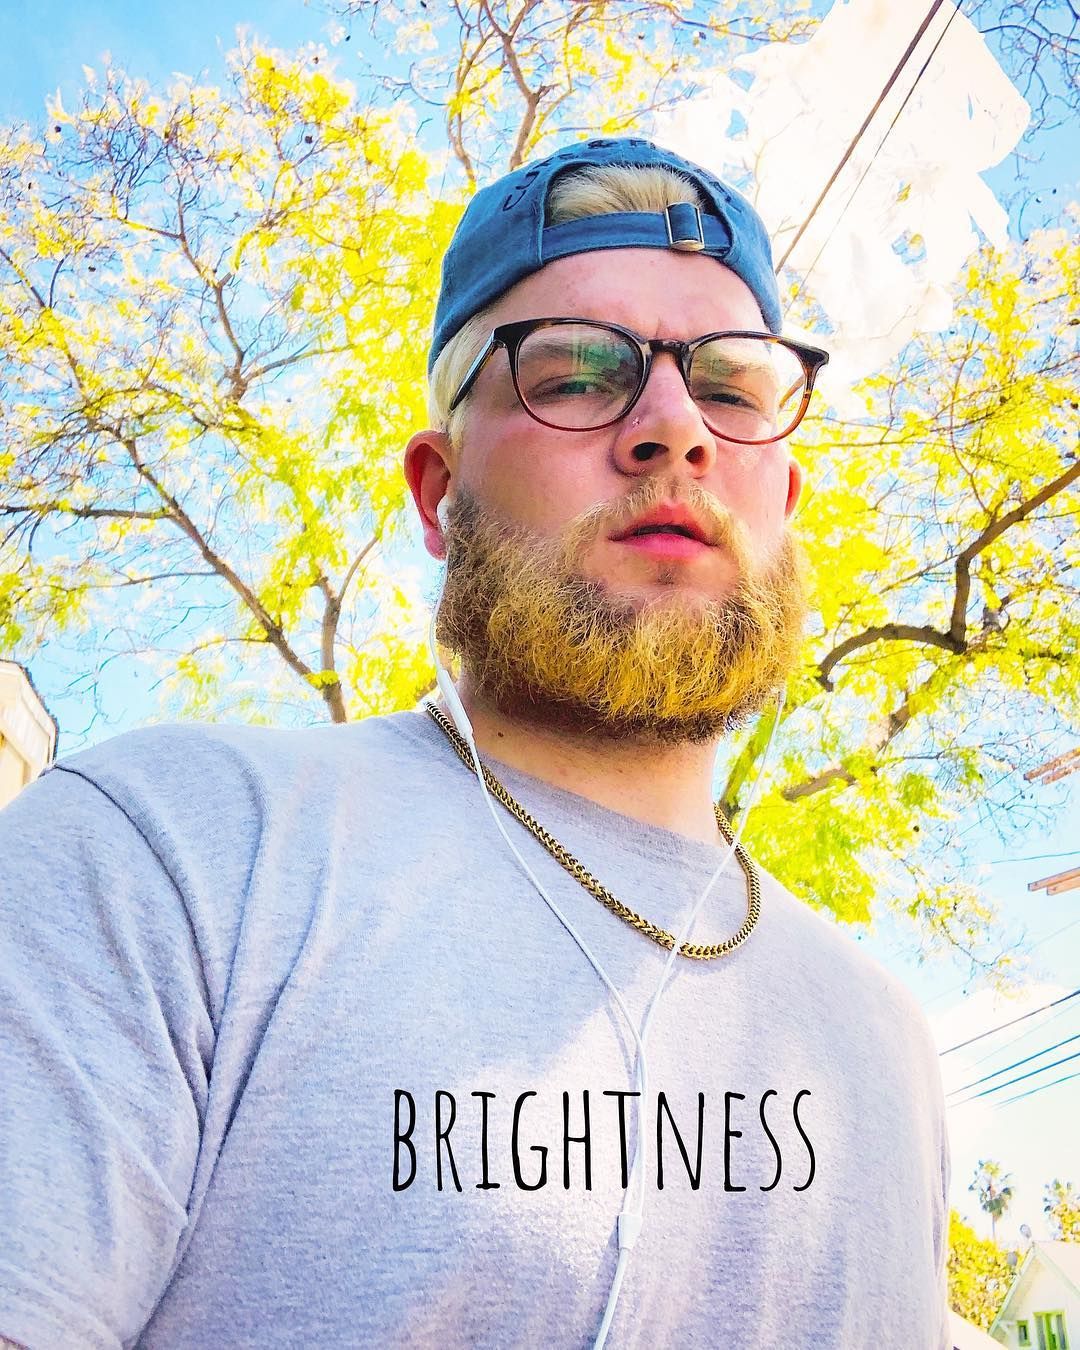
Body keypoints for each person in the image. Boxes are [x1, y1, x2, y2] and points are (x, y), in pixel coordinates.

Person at [0, 137, 952, 1349]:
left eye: (732, 387)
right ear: (437, 492)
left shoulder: (887, 1041)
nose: (675, 429)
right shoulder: (170, 855)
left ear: (786, 499)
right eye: (579, 373)